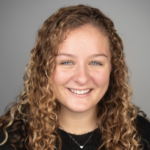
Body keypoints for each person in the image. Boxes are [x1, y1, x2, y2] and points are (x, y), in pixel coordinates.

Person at [0, 4, 150, 150]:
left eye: (96, 62)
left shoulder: (143, 134)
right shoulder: (8, 138)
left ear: (113, 68)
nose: (82, 78)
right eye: (66, 62)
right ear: (44, 68)